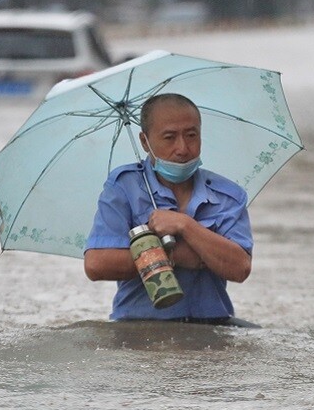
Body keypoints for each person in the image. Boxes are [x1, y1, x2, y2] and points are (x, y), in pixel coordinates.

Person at [84, 93, 253, 324]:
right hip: (139, 326)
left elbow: (240, 268)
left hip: (212, 325)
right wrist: (176, 254)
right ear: (145, 142)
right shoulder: (124, 187)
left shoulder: (228, 195)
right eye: (169, 137)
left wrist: (185, 225)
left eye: (191, 135)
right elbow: (96, 264)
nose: (182, 148)